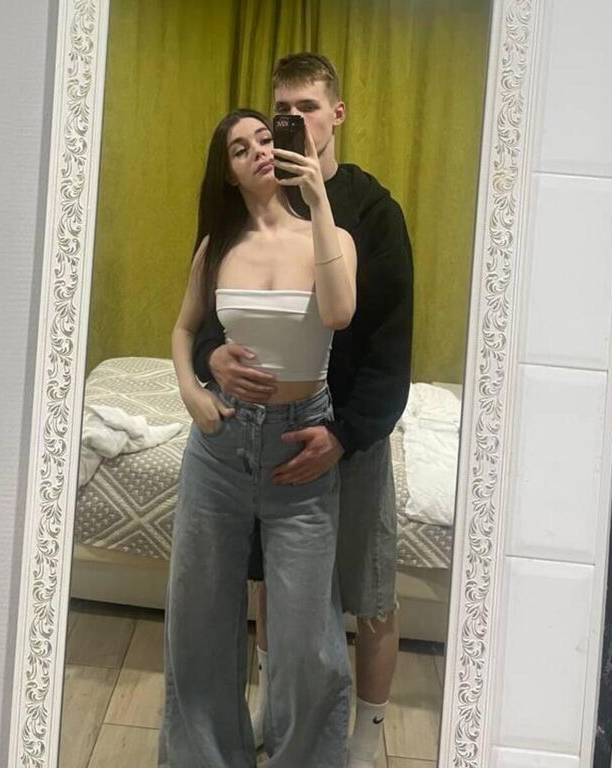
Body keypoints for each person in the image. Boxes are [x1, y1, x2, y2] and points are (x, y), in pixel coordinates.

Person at [192, 53, 414, 768]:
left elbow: (387, 342)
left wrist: (346, 434)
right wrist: (209, 359)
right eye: (280, 110)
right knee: (276, 590)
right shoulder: (255, 201)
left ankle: (365, 742)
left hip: (352, 435)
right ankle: (275, 716)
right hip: (269, 439)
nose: (292, 122)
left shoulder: (372, 211)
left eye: (306, 108)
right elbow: (213, 312)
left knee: (368, 593)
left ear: (336, 114)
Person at [160, 107, 357, 767]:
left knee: (306, 641)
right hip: (219, 450)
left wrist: (319, 201)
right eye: (241, 149)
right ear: (230, 173)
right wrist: (192, 389)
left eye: (266, 139)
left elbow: (339, 311)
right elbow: (184, 329)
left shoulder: (330, 237)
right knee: (199, 625)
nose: (259, 152)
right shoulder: (217, 247)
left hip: (299, 447)